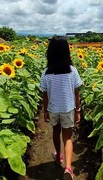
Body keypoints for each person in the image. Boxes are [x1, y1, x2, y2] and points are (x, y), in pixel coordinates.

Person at [40, 35, 82, 180]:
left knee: (55, 132)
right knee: (68, 137)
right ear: (67, 52)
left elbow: (45, 95)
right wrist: (78, 111)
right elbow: (76, 93)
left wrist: (45, 111)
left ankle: (58, 157)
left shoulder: (46, 73)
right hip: (68, 109)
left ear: (50, 53)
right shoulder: (72, 71)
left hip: (53, 109)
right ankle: (68, 168)